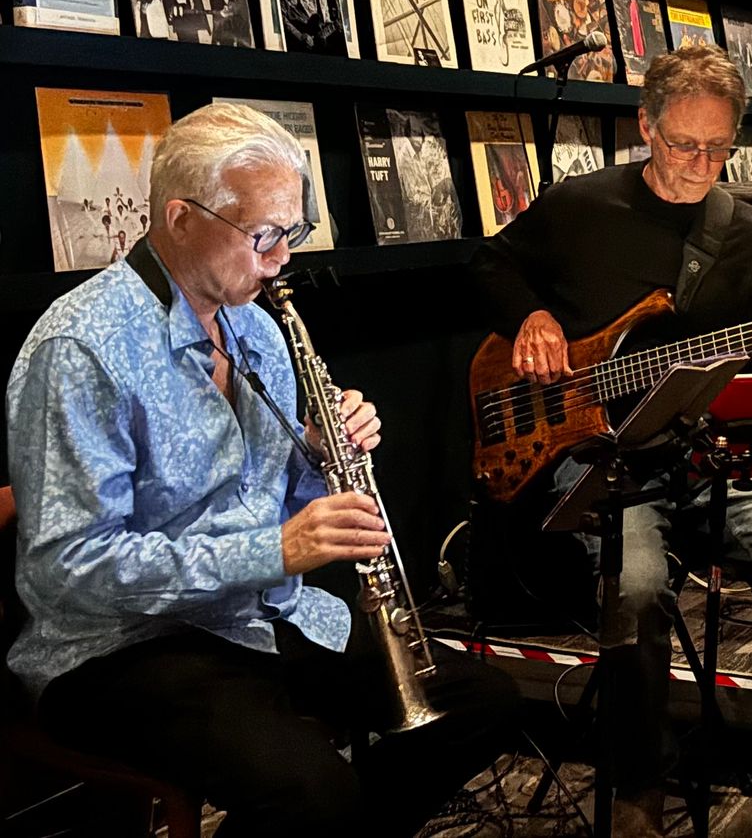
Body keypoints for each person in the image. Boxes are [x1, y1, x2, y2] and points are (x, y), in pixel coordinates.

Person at [6, 102, 522, 835]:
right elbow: (68, 570)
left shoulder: (253, 326)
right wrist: (274, 550)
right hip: (121, 649)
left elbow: (274, 498)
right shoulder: (81, 347)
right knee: (314, 793)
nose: (283, 258)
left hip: (257, 615)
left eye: (293, 232)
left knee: (482, 703)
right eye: (264, 235)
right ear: (181, 218)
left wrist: (320, 456)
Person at [470, 46, 752, 838]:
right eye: (683, 145)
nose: (700, 166)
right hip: (607, 454)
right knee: (636, 591)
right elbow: (488, 264)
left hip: (723, 452)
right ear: (645, 126)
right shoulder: (579, 207)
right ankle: (637, 791)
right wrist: (530, 317)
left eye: (718, 149)